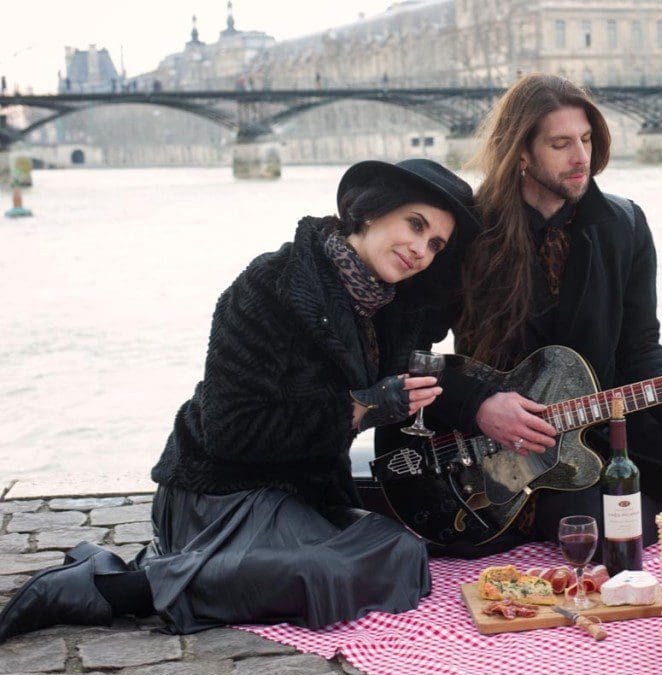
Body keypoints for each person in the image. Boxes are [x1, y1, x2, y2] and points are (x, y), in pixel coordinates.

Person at [0, 158, 479, 642]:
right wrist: (359, 410)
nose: (420, 250)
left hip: (299, 498)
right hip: (217, 492)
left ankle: (145, 570)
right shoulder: (271, 285)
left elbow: (430, 376)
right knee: (324, 571)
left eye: (436, 244)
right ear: (372, 211)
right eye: (414, 226)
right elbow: (231, 430)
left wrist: (489, 403)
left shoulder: (393, 307)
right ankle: (117, 588)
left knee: (403, 552)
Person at [447, 74, 662, 554]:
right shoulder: (468, 230)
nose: (581, 158)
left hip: (619, 428)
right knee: (621, 526)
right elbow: (415, 354)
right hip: (515, 453)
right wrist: (479, 405)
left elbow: (640, 347)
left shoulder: (625, 224)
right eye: (561, 144)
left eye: (587, 139)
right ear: (522, 153)